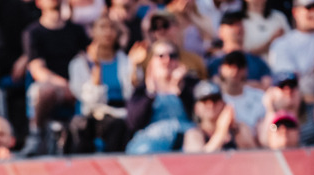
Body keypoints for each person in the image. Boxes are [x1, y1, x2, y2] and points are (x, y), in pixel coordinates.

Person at [21, 0, 91, 156]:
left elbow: (88, 60)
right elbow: (38, 70)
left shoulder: (76, 30)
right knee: (45, 91)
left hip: (79, 87)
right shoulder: (33, 32)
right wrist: (66, 86)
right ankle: (36, 135)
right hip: (53, 87)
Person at [65, 13, 132, 154]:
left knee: (119, 126)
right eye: (102, 27)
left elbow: (130, 94)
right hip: (89, 115)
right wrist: (96, 68)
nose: (108, 32)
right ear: (92, 31)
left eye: (112, 27)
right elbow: (90, 101)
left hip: (118, 114)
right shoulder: (79, 64)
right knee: (79, 128)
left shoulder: (127, 62)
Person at [125, 39, 198, 154]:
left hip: (186, 136)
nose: (167, 60)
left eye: (172, 56)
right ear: (151, 61)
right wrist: (150, 95)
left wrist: (180, 90)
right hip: (152, 141)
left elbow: (201, 117)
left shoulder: (191, 85)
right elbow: (133, 123)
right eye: (161, 56)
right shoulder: (142, 90)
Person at [182, 79, 256, 151]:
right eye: (204, 101)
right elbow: (198, 161)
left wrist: (236, 131)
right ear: (196, 108)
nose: (210, 105)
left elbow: (252, 155)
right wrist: (221, 131)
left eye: (214, 100)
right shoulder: (193, 134)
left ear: (223, 104)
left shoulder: (239, 128)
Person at [206, 10, 271, 87]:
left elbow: (267, 86)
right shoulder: (214, 62)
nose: (237, 27)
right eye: (231, 24)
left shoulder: (257, 61)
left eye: (240, 23)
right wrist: (253, 85)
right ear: (220, 32)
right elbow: (214, 84)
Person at [218, 49, 266, 133]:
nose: (235, 71)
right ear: (221, 69)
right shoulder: (215, 98)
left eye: (239, 66)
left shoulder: (260, 97)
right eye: (230, 65)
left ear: (245, 70)